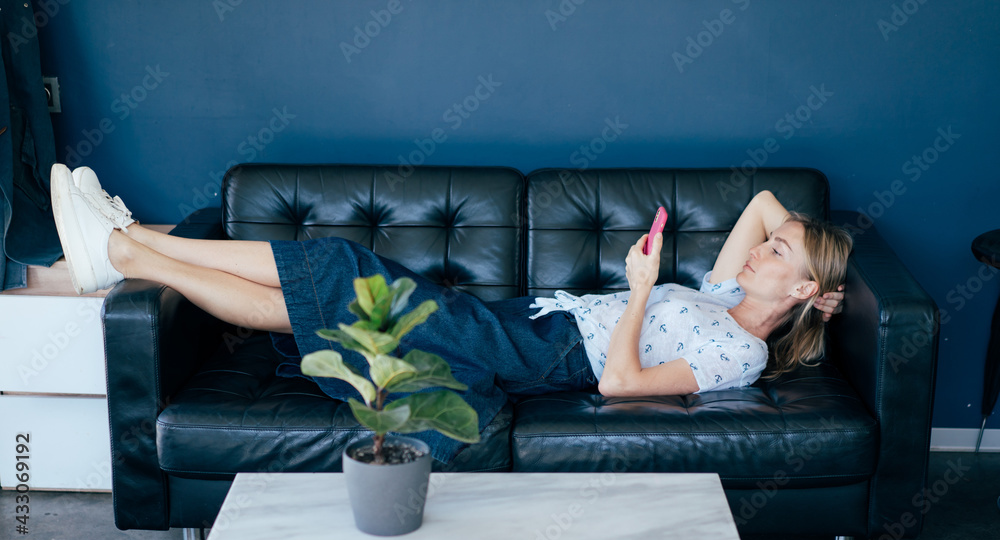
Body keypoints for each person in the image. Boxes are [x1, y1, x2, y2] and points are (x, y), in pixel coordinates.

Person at [48, 163, 849, 461]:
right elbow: (765, 201)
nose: (760, 249)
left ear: (808, 293)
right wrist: (802, 257)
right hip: (528, 318)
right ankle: (123, 251)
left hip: (549, 353)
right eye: (768, 246)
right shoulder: (725, 294)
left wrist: (640, 291)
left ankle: (120, 249)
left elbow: (620, 382)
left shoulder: (739, 353)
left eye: (779, 255)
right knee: (313, 312)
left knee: (336, 266)